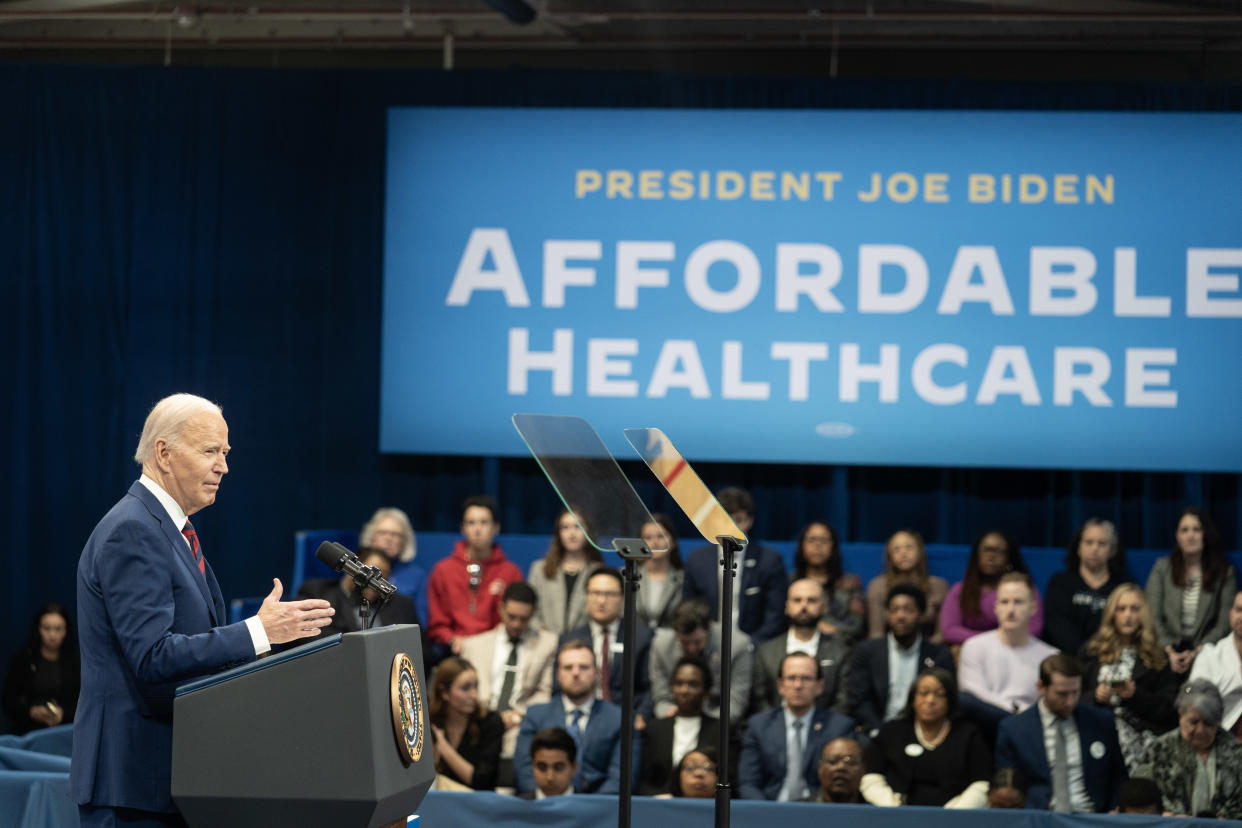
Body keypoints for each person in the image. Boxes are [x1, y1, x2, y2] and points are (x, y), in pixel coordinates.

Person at [72, 393, 336, 826]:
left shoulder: (171, 529)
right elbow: (153, 656)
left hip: (168, 780)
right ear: (164, 453)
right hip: (133, 785)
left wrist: (263, 643)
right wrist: (256, 632)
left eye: (225, 453)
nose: (223, 467)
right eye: (209, 451)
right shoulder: (133, 531)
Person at [995, 654, 1128, 813]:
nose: (1070, 701)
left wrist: (1115, 808)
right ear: (1041, 687)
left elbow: (1118, 775)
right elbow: (1009, 789)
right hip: (1039, 819)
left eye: (1075, 692)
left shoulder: (1100, 722)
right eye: (1062, 694)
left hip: (1092, 817)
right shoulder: (1014, 729)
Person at [1079, 583, 1181, 771]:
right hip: (1095, 734)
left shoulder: (1158, 657)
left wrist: (1135, 696)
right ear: (1112, 614)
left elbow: (1170, 711)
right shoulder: (1091, 652)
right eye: (1121, 609)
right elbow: (1072, 697)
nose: (1128, 615)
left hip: (1143, 739)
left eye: (1134, 609)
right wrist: (1095, 696)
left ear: (1143, 614)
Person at [514, 640, 632, 795]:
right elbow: (525, 771)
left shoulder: (619, 719)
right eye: (568, 667)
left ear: (597, 673)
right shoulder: (535, 715)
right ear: (558, 674)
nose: (576, 673)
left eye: (583, 667)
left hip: (599, 811)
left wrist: (586, 809)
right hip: (544, 807)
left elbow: (620, 778)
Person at [860, 668, 991, 808]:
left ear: (950, 700)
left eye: (939, 694)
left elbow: (981, 783)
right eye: (923, 693)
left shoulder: (968, 734)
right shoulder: (891, 731)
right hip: (896, 814)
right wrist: (891, 806)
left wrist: (955, 813)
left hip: (953, 816)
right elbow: (871, 777)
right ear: (912, 699)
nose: (930, 700)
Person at [459, 581, 557, 764]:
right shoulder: (474, 646)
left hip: (519, 723)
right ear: (501, 608)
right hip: (479, 721)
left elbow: (544, 692)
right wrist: (489, 717)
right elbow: (464, 691)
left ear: (533, 614)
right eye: (512, 616)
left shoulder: (548, 644)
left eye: (524, 619)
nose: (517, 624)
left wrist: (517, 715)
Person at [738, 652, 855, 801]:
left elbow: (842, 785)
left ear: (819, 686)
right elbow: (748, 783)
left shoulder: (839, 727)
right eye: (791, 678)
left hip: (818, 812)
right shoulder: (759, 725)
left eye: (806, 679)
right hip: (770, 809)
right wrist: (765, 814)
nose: (798, 685)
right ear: (780, 686)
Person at [958, 572, 1058, 741]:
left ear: (1033, 607)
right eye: (1004, 602)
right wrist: (1015, 709)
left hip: (1030, 733)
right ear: (996, 607)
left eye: (1018, 602)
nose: (1010, 610)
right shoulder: (973, 646)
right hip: (983, 730)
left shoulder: (1051, 656)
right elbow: (973, 694)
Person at [847, 584, 955, 737]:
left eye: (908, 610)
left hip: (924, 731)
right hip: (877, 730)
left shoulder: (939, 655)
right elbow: (859, 699)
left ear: (921, 614)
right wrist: (878, 731)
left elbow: (947, 701)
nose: (900, 616)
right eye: (894, 610)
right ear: (886, 614)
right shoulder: (867, 651)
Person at [683, 487, 788, 644]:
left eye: (738, 520)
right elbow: (689, 607)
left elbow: (776, 615)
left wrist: (751, 644)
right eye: (725, 519)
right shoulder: (697, 559)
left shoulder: (769, 560)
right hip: (706, 645)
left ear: (750, 521)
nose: (730, 527)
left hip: (754, 645)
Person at [426, 495, 523, 658]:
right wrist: (451, 639)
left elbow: (515, 621)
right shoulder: (443, 570)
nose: (477, 529)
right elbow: (437, 622)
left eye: (484, 522)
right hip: (453, 652)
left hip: (497, 652)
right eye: (471, 523)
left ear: (496, 527)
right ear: (462, 528)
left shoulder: (511, 572)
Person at [1133, 679, 1242, 819]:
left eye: (1209, 723)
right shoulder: (1159, 749)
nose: (1200, 730)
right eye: (1194, 722)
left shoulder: (1236, 752)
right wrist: (1162, 815)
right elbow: (1138, 800)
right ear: (1180, 715)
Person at [1146, 507, 1237, 671]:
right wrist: (1170, 651)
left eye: (1197, 529)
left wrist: (1198, 652)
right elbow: (1152, 616)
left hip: (1208, 652)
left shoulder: (1225, 573)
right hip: (1166, 651)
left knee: (1195, 692)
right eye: (1184, 530)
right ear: (1177, 536)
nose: (1190, 535)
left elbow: (1224, 623)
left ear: (1205, 534)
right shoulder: (1162, 568)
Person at [562, 566, 653, 716]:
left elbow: (648, 688)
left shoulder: (641, 637)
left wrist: (641, 716)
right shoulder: (570, 639)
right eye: (596, 593)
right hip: (580, 717)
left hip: (626, 719)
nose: (602, 600)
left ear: (623, 597)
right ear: (586, 596)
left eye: (610, 594)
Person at [751, 579, 849, 715]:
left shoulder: (840, 652)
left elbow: (843, 701)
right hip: (774, 730)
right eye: (797, 600)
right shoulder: (766, 651)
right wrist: (775, 726)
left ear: (824, 607)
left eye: (811, 600)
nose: (804, 606)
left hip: (825, 730)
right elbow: (759, 699)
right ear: (787, 607)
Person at [649, 599, 752, 724]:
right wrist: (673, 717)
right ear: (676, 633)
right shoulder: (661, 646)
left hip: (718, 721)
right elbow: (661, 699)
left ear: (709, 626)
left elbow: (736, 703)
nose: (691, 649)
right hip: (677, 718)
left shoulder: (735, 645)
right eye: (685, 643)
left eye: (697, 642)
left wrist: (704, 725)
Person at [939, 530, 1043, 646]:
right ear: (977, 555)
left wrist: (1001, 641)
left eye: (998, 551)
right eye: (986, 549)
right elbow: (950, 630)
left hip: (1017, 648)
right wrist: (992, 641)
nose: (991, 556)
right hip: (973, 649)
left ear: (1009, 557)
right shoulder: (960, 590)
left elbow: (1035, 628)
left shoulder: (1026, 589)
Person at [637, 656, 724, 795]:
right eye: (679, 683)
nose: (684, 690)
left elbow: (727, 780)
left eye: (693, 684)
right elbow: (644, 781)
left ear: (706, 692)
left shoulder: (721, 731)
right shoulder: (655, 729)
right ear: (672, 688)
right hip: (662, 805)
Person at [1043, 519, 1129, 655]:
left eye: (1102, 544)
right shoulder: (1060, 582)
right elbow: (1056, 625)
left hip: (1111, 657)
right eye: (1089, 542)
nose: (1095, 549)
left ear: (1112, 550)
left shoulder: (1124, 587)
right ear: (1078, 547)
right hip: (1067, 659)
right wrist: (1083, 655)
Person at [296, 546, 420, 634]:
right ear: (353, 569)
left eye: (383, 577)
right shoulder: (317, 593)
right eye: (371, 575)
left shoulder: (403, 605)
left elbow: (422, 651)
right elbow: (308, 641)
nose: (376, 583)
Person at [3, 602, 80, 735]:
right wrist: (31, 711)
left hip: (65, 734)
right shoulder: (23, 660)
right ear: (38, 629)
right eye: (47, 628)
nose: (52, 635)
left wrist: (64, 713)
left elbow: (83, 702)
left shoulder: (76, 663)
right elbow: (8, 702)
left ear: (66, 631)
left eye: (58, 629)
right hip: (28, 734)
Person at [429, 656, 503, 790]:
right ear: (445, 692)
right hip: (438, 800)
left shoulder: (491, 722)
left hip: (475, 802)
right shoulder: (429, 720)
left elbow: (482, 781)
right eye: (465, 688)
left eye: (476, 686)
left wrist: (442, 745)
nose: (474, 695)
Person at [527, 510, 603, 636]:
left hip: (583, 644)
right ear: (558, 533)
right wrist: (544, 635)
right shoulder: (539, 569)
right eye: (565, 527)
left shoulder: (598, 572)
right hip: (543, 642)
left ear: (588, 531)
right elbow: (530, 610)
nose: (572, 533)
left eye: (578, 527)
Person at [865, 530, 948, 642]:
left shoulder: (939, 586)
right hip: (888, 649)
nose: (903, 553)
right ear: (889, 556)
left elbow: (941, 634)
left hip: (928, 648)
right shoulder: (877, 586)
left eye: (909, 547)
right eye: (896, 549)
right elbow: (876, 633)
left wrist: (923, 653)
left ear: (920, 551)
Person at [791, 520, 865, 642]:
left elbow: (857, 624)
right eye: (811, 540)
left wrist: (828, 630)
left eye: (824, 540)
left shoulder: (850, 582)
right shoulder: (790, 583)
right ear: (802, 546)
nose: (817, 545)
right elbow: (779, 622)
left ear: (833, 546)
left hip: (840, 646)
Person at [358, 507, 428, 626]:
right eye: (382, 533)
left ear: (404, 541)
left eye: (395, 534)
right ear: (371, 537)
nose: (388, 539)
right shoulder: (357, 568)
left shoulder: (417, 577)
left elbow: (421, 622)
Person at [1188, 589, 1242, 739]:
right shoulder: (1209, 655)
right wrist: (1238, 678)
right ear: (1230, 613)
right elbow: (1188, 694)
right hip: (1217, 740)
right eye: (1239, 610)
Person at [635, 514, 684, 630]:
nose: (655, 542)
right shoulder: (628, 576)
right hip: (635, 640)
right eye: (648, 537)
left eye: (661, 536)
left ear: (673, 542)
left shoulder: (684, 578)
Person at [521, 727, 577, 800]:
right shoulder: (516, 809)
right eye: (542, 767)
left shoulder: (591, 810)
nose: (550, 777)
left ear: (574, 768)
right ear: (532, 766)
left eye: (558, 768)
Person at [814, 737, 867, 804]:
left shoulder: (875, 812)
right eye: (832, 761)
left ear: (863, 770)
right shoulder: (799, 810)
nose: (841, 767)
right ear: (820, 768)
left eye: (850, 762)